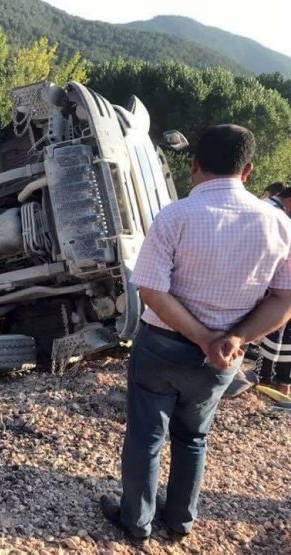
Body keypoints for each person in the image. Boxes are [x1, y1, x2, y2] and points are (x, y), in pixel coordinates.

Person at [100, 124, 291, 540]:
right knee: (193, 439)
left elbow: (151, 290)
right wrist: (234, 339)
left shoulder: (175, 215)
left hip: (162, 350)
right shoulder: (279, 225)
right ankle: (181, 521)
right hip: (223, 358)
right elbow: (283, 300)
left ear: (194, 166)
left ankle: (136, 521)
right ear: (249, 170)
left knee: (146, 438)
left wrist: (200, 335)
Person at [257, 186, 291, 395]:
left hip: (279, 286)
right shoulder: (280, 217)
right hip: (282, 285)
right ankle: (282, 382)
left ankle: (266, 378)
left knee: (273, 331)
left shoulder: (277, 216)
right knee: (282, 334)